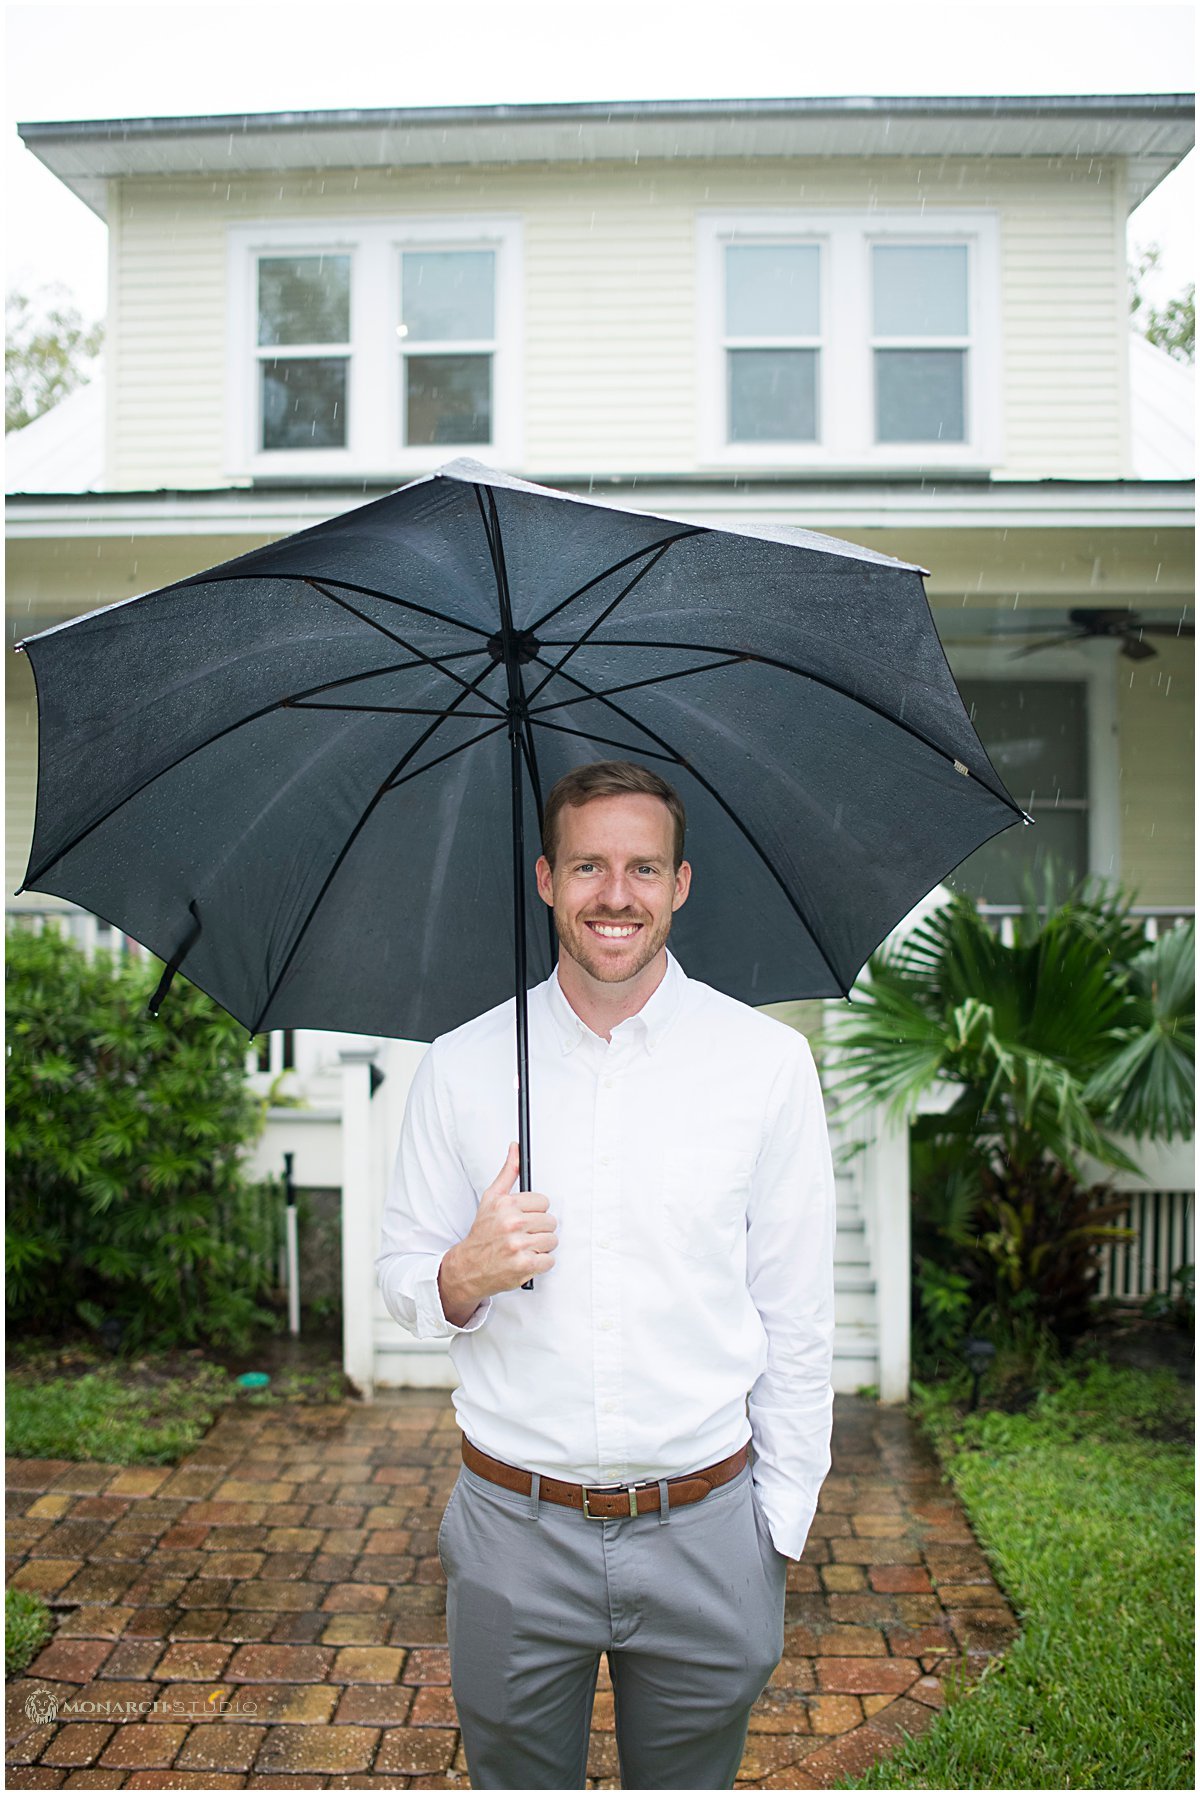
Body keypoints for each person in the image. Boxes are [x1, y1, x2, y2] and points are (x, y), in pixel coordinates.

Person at [376, 759, 836, 1791]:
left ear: (680, 884)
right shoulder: (461, 1064)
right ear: (546, 879)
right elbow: (402, 1272)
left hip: (709, 1526)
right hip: (511, 1532)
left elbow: (797, 1311)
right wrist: (464, 1272)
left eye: (642, 867)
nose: (614, 894)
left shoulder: (763, 1066)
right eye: (588, 865)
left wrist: (780, 1524)